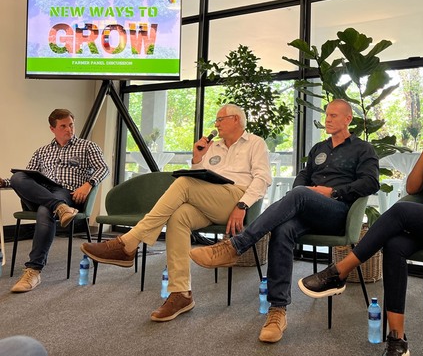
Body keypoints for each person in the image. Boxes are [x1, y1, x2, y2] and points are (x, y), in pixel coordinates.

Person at [298, 100, 423, 356]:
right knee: (394, 245)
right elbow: (412, 187)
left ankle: (340, 271)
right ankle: (397, 339)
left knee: (403, 210)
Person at [189, 99, 380, 343]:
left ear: (348, 119)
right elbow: (303, 176)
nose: (328, 119)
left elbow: (370, 182)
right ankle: (277, 310)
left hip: (338, 212)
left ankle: (236, 245)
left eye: (333, 115)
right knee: (283, 228)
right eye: (327, 115)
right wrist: (305, 192)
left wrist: (332, 192)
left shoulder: (363, 149)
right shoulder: (319, 149)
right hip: (308, 210)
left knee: (299, 194)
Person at [81, 104, 272, 322]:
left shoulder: (255, 143)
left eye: (220, 119)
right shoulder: (214, 147)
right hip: (209, 200)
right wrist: (197, 159)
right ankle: (181, 293)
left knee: (183, 183)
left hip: (235, 199)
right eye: (216, 120)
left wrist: (242, 205)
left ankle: (129, 242)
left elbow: (263, 179)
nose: (216, 124)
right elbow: (200, 179)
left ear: (236, 119)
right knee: (178, 216)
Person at [8, 109, 109, 293]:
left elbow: (103, 168)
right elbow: (29, 177)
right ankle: (59, 207)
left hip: (67, 193)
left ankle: (33, 270)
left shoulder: (87, 146)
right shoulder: (42, 151)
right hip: (42, 192)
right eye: (63, 126)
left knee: (46, 209)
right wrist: (5, 182)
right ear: (52, 129)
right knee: (17, 177)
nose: (69, 129)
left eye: (71, 125)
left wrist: (88, 184)